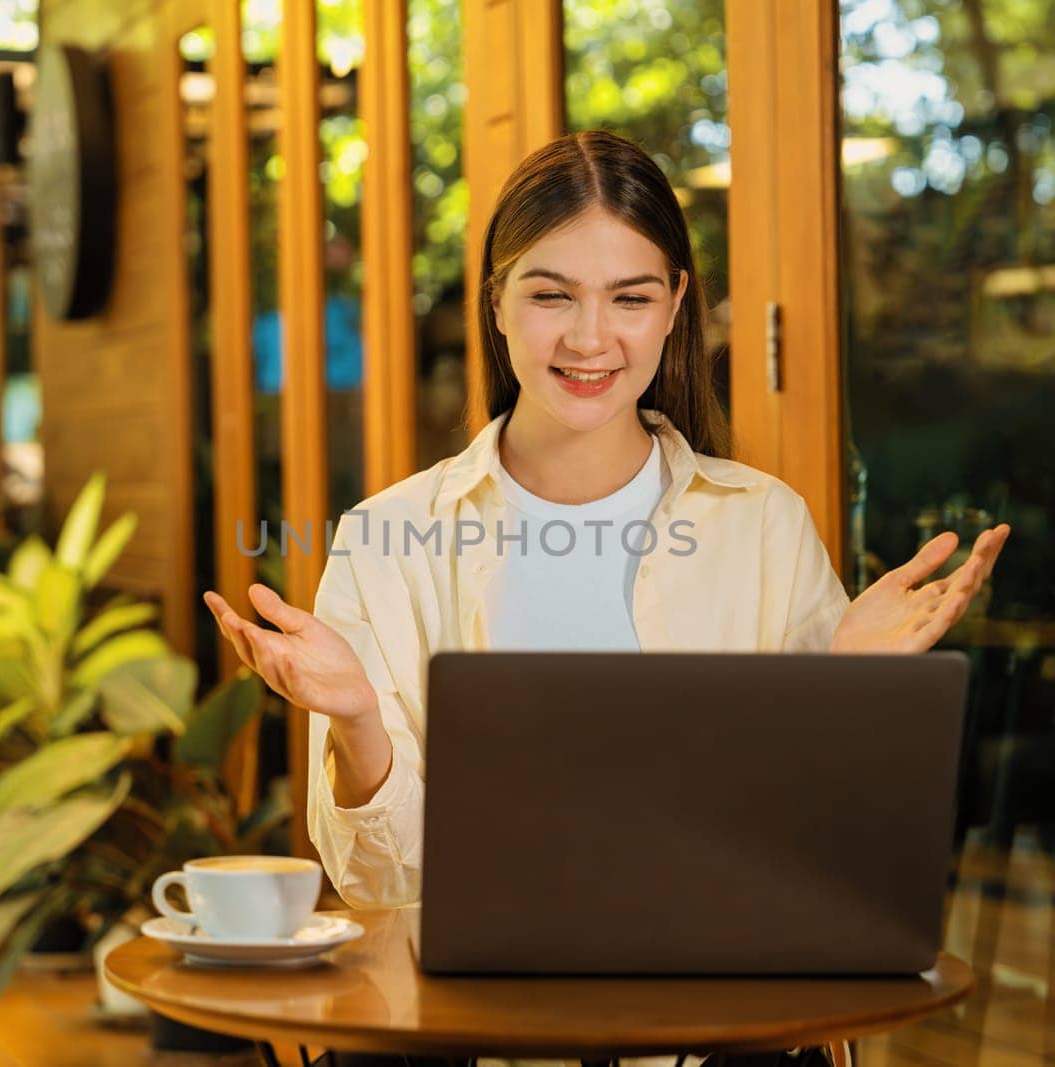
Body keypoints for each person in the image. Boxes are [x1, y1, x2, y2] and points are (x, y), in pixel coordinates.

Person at [201, 130, 1008, 1066]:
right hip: (465, 1039)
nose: (591, 338)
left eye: (630, 297)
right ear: (497, 304)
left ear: (675, 307)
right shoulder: (387, 537)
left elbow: (809, 869)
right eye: (551, 295)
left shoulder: (763, 526)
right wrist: (358, 725)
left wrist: (849, 685)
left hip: (717, 1037)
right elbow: (381, 882)